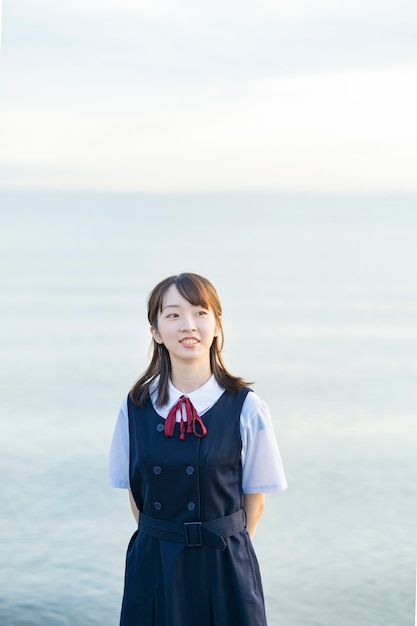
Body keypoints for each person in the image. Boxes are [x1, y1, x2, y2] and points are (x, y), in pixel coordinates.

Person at [109, 272, 287, 626]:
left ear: (218, 326)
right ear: (156, 332)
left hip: (226, 565)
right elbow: (135, 489)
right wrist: (164, 541)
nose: (188, 325)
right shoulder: (135, 407)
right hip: (155, 563)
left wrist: (224, 548)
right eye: (173, 315)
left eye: (200, 313)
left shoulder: (247, 407)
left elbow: (256, 499)